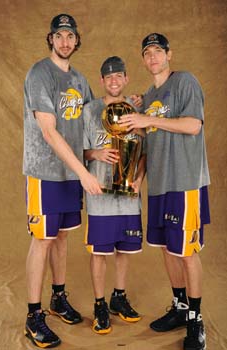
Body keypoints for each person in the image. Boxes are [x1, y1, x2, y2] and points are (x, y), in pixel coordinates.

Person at [118, 33, 210, 350]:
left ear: (169, 54)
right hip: (158, 184)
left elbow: (193, 125)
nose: (153, 56)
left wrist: (146, 116)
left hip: (184, 181)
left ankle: (196, 322)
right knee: (166, 249)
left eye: (158, 50)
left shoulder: (185, 82)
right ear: (144, 60)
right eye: (147, 52)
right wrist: (138, 178)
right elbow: (148, 145)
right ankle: (181, 308)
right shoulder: (149, 94)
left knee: (185, 252)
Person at [23, 13, 102, 348]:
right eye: (59, 36)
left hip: (71, 174)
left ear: (76, 40)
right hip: (46, 172)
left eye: (71, 36)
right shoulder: (40, 73)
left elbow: (89, 125)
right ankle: (32, 315)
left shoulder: (82, 81)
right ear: (51, 39)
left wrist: (93, 158)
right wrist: (84, 172)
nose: (65, 41)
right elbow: (48, 130)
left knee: (61, 238)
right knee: (43, 239)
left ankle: (57, 297)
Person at [83, 56, 146, 334]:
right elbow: (78, 151)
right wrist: (96, 153)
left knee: (125, 249)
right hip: (100, 193)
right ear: (101, 81)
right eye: (108, 77)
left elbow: (144, 152)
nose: (114, 81)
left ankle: (118, 297)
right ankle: (99, 304)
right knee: (100, 252)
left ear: (126, 79)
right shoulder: (89, 111)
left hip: (128, 195)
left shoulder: (135, 110)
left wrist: (139, 178)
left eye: (118, 75)